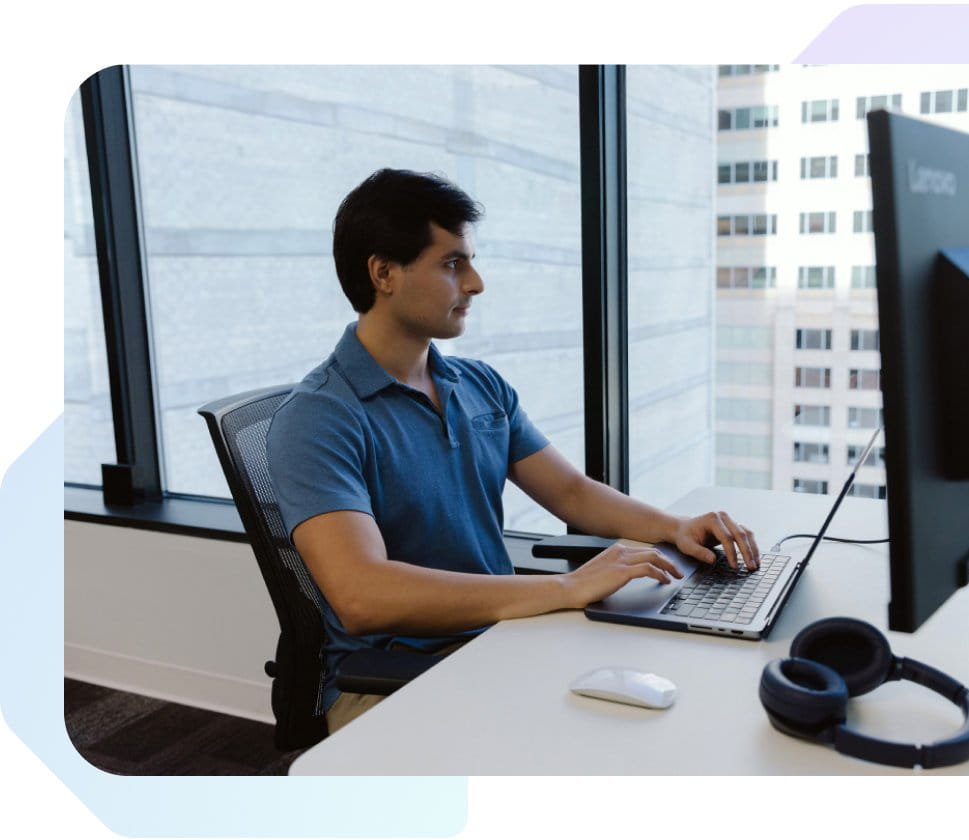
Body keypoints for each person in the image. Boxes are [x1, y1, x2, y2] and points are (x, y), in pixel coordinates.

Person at [266, 169, 760, 732]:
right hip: (395, 678)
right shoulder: (319, 418)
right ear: (384, 274)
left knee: (675, 703)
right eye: (453, 263)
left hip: (502, 639)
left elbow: (572, 494)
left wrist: (674, 527)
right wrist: (566, 589)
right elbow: (363, 596)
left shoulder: (479, 386)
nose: (475, 283)